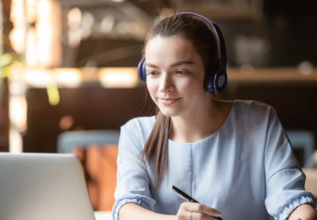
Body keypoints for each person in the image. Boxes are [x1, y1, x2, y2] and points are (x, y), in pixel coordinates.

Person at [112, 12, 317, 220]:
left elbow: (292, 201)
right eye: (154, 73)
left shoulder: (259, 121)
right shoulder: (136, 133)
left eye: (180, 72)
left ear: (212, 75)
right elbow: (127, 209)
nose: (164, 87)